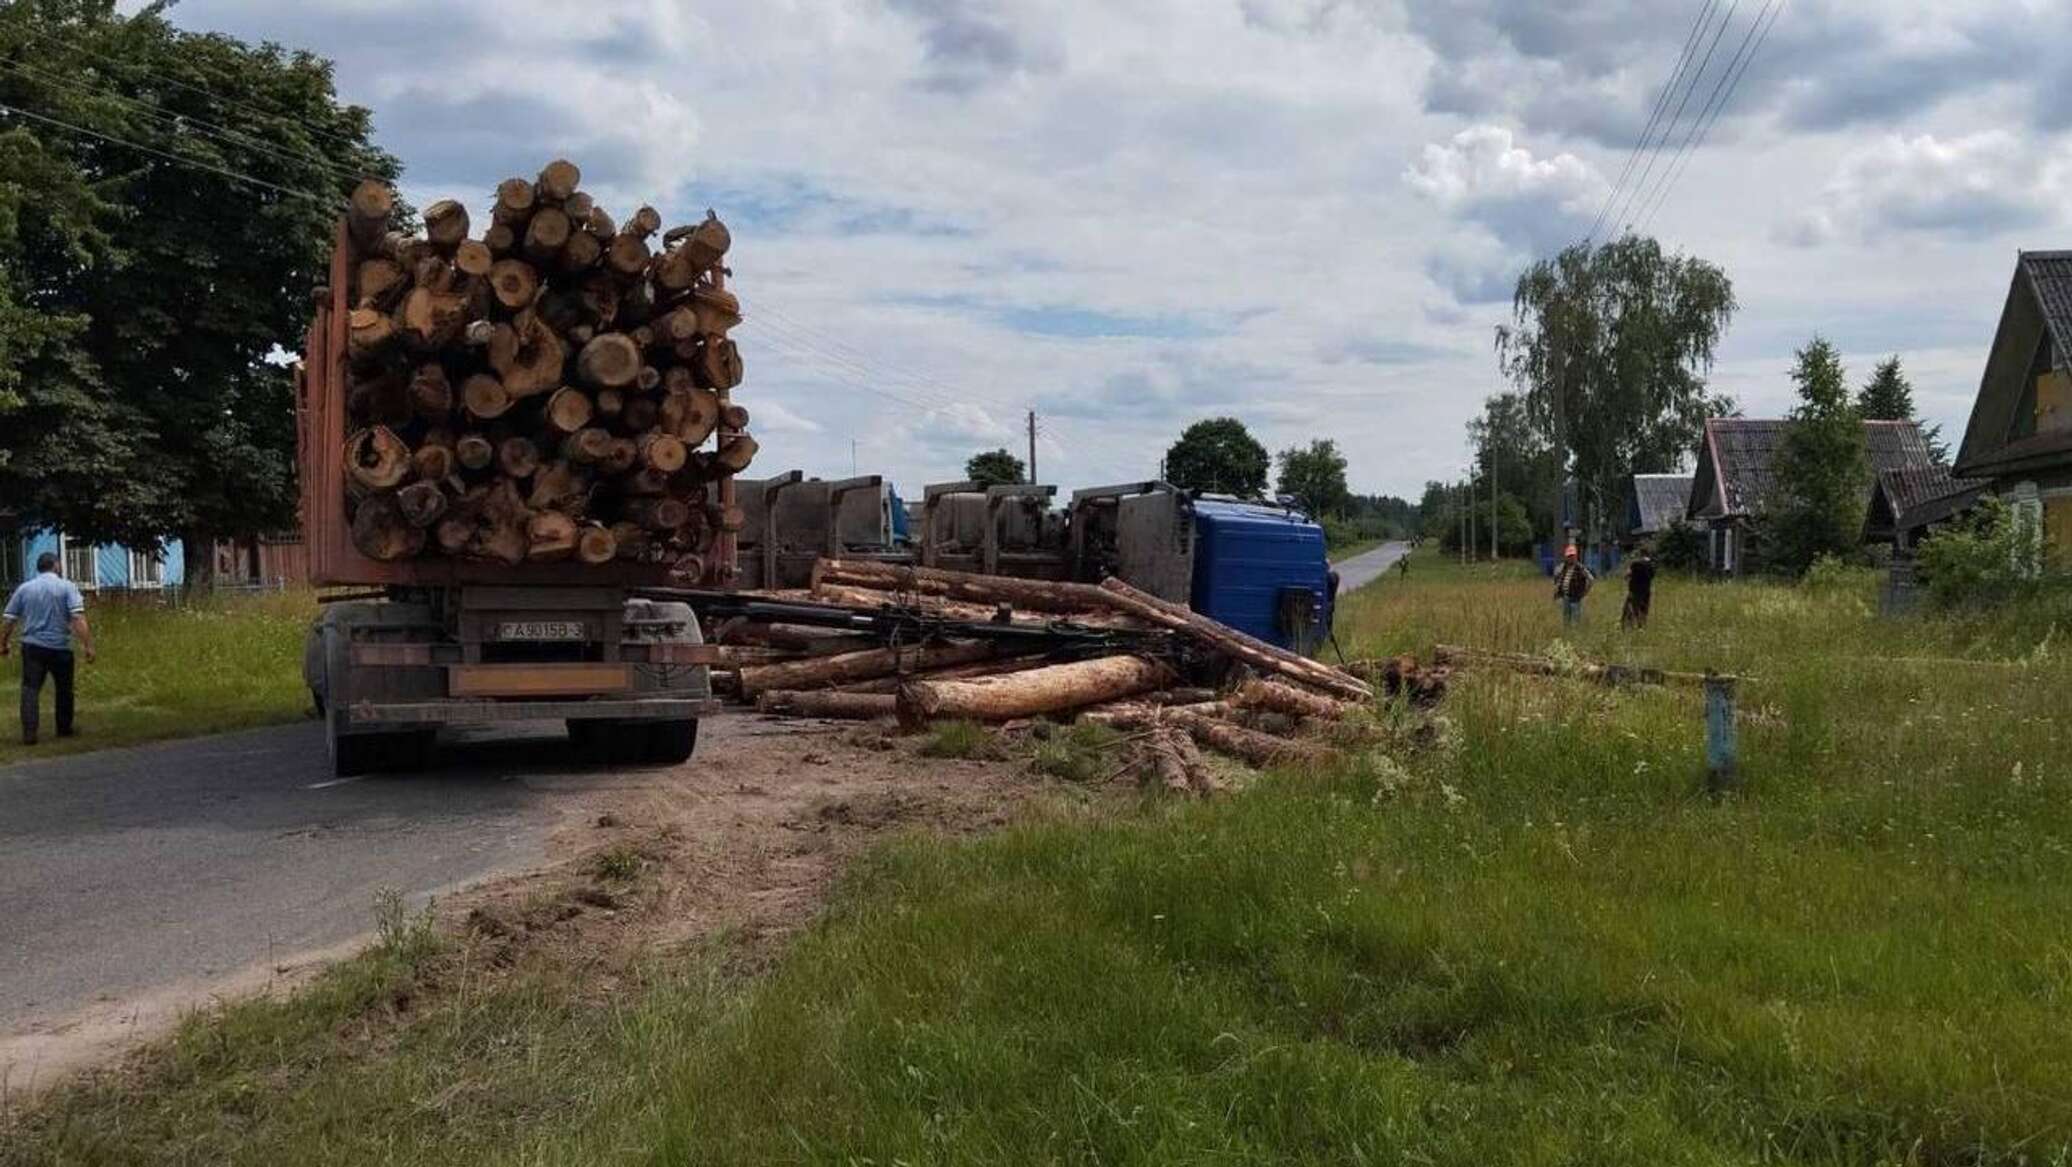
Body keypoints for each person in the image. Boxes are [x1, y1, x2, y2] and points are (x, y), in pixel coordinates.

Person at [1, 551, 95, 745]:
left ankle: (29, 733)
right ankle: (64, 728)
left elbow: (9, 619)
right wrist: (87, 645)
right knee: (64, 689)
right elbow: (77, 618)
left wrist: (3, 643)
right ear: (56, 565)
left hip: (33, 647)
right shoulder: (67, 587)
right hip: (60, 647)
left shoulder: (25, 589)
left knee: (30, 689)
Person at [1552, 543, 1592, 627]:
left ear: (1576, 556)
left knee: (1575, 619)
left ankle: (1575, 634)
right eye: (1569, 556)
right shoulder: (1563, 567)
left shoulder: (1580, 568)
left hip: (1575, 597)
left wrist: (1585, 592)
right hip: (1565, 596)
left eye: (1572, 556)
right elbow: (1556, 577)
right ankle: (1567, 634)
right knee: (1566, 618)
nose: (1571, 558)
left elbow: (1591, 579)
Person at [1622, 547, 1657, 630]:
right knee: (1643, 610)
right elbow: (1652, 576)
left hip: (1634, 591)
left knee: (1629, 610)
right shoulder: (1651, 564)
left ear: (1640, 554)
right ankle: (1642, 627)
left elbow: (1627, 575)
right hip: (1646, 590)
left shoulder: (1635, 563)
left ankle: (1628, 628)